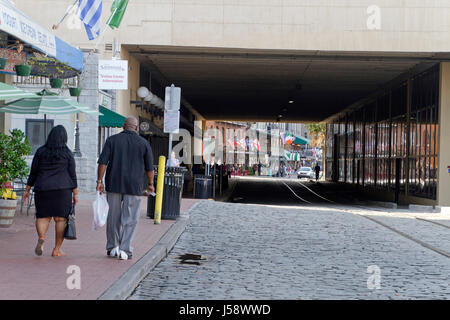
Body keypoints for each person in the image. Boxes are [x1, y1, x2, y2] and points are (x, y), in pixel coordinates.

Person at [97, 117, 154, 261]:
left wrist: (99, 181)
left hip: (114, 183)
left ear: (123, 126)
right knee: (130, 218)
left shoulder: (112, 140)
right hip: (134, 186)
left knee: (113, 217)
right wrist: (150, 183)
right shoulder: (144, 143)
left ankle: (112, 247)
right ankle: (125, 249)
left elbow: (103, 162)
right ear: (136, 128)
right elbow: (149, 168)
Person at [22, 125, 78, 257]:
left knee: (43, 217)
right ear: (64, 138)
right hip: (62, 189)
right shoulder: (67, 153)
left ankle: (42, 236)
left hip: (43, 188)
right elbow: (72, 174)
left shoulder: (40, 151)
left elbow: (33, 172)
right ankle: (57, 249)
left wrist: (27, 189)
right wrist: (75, 193)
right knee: (60, 220)